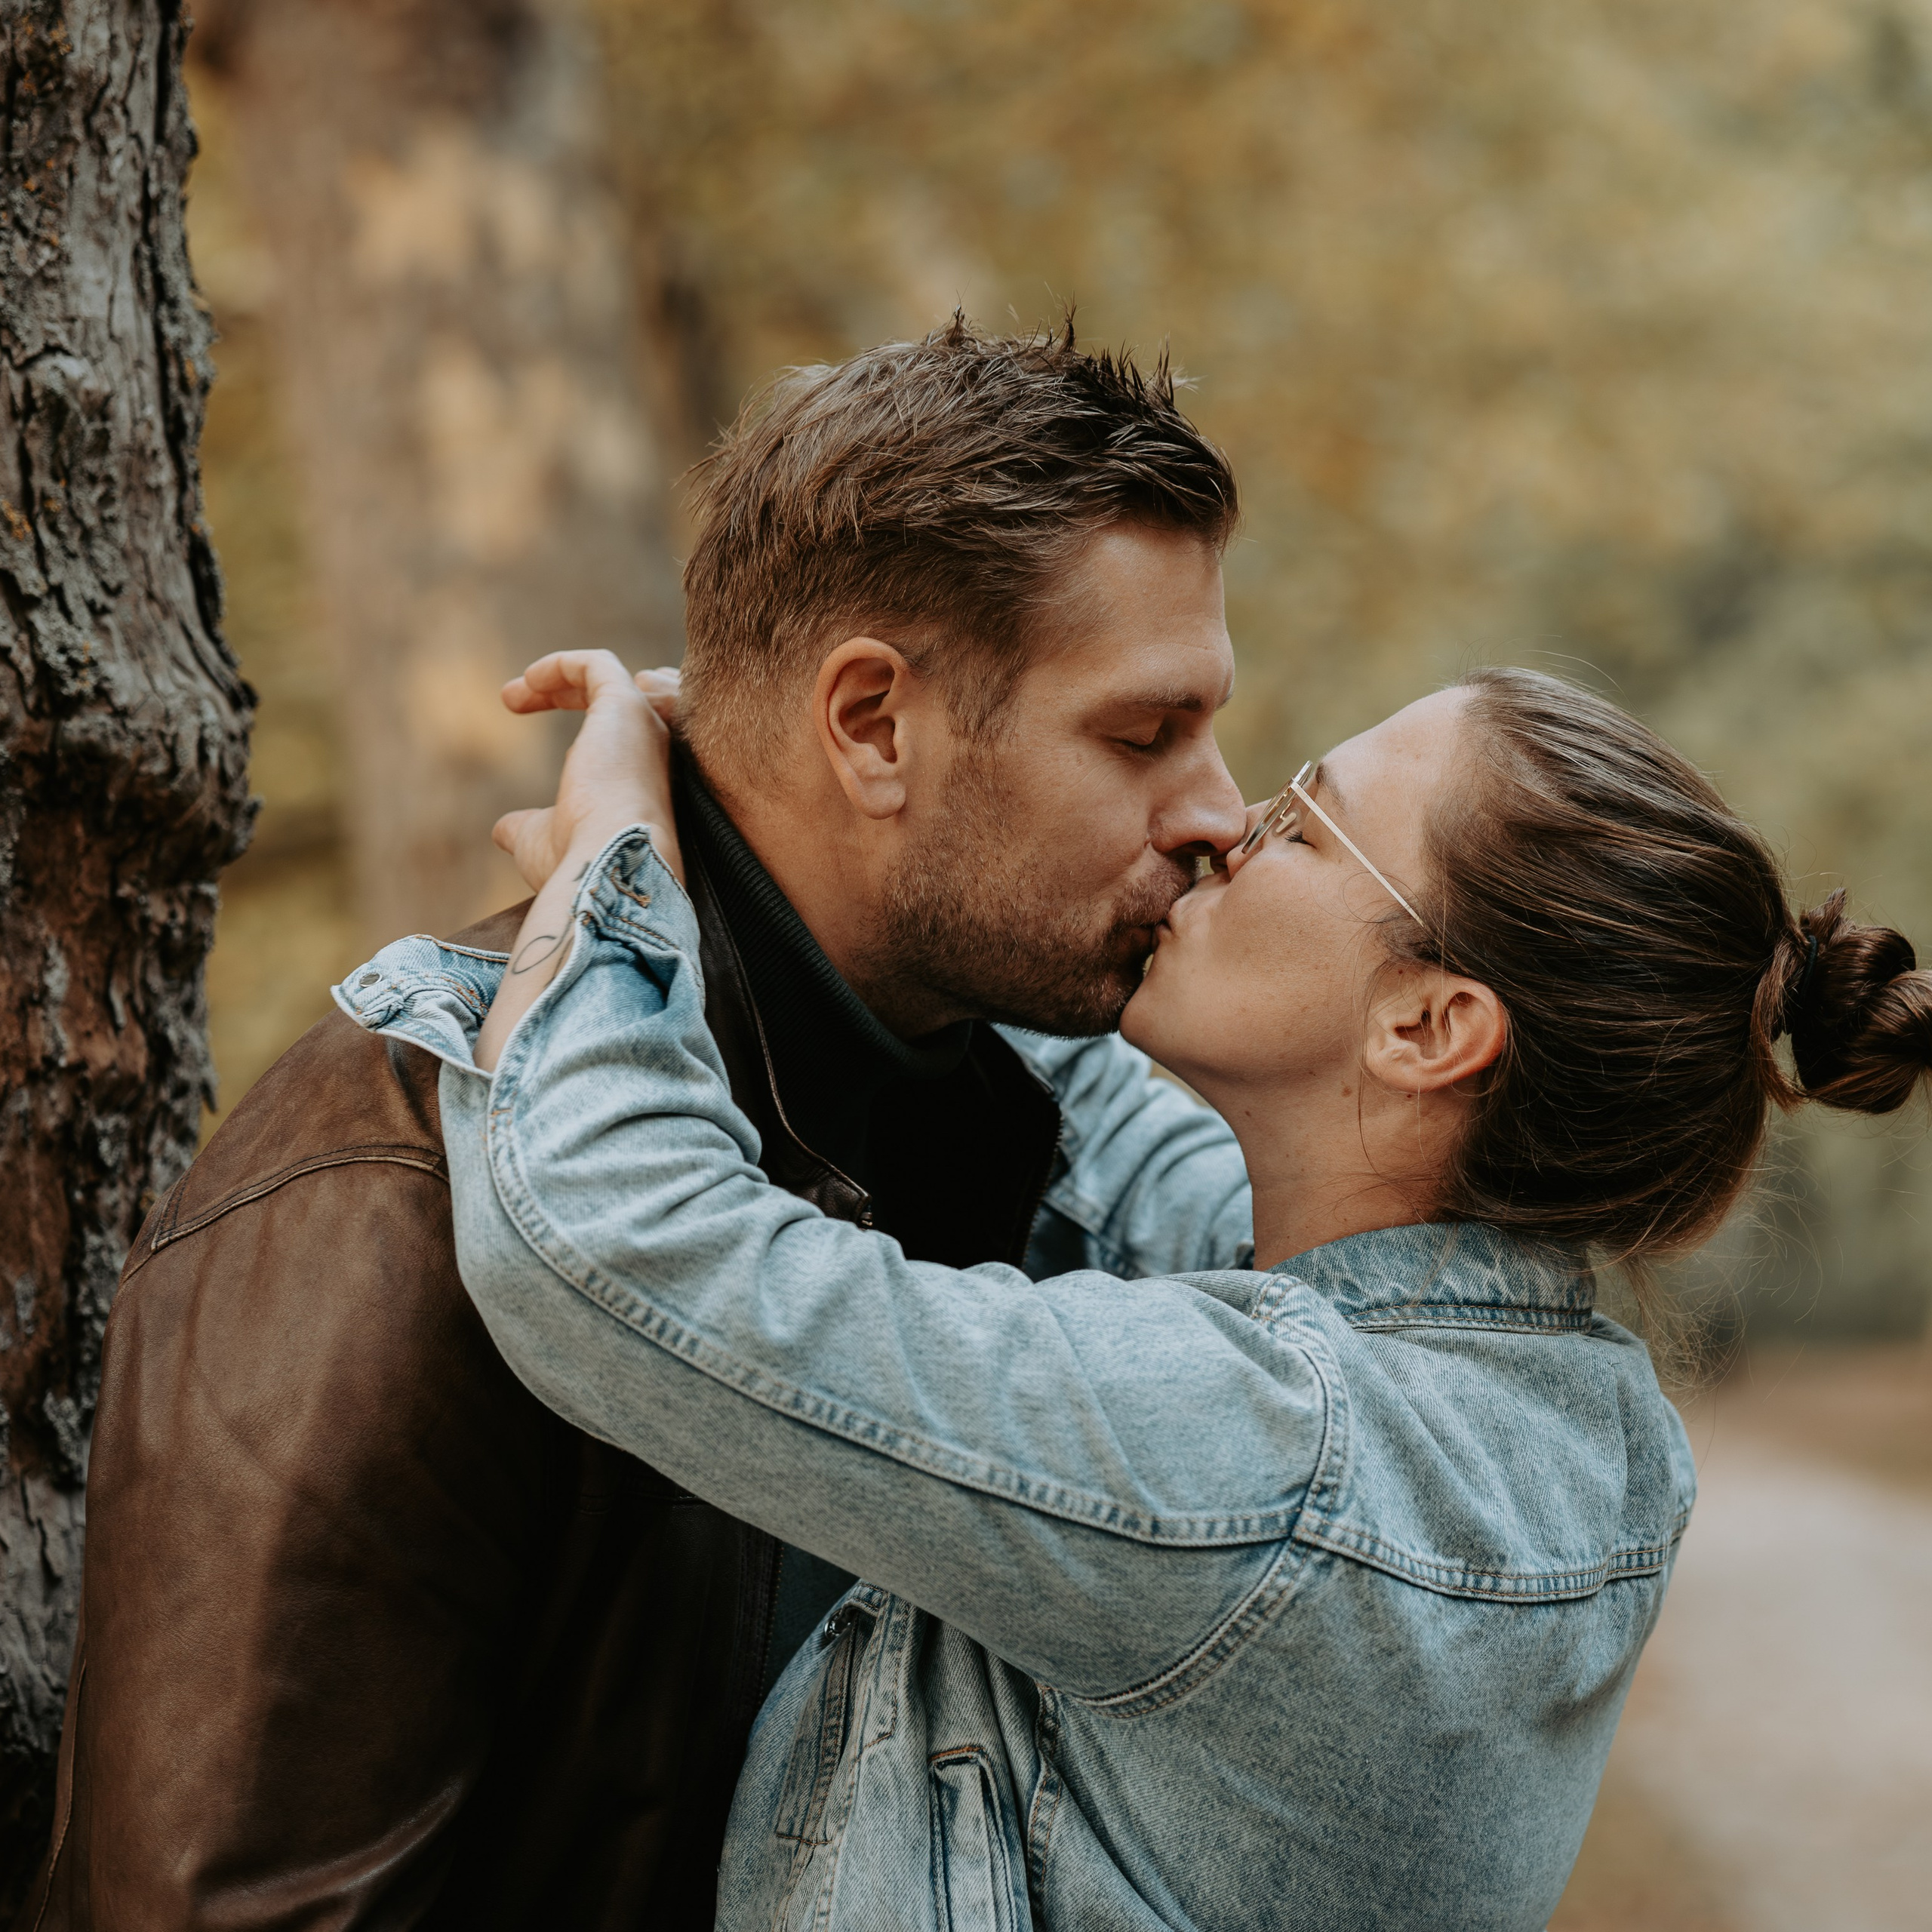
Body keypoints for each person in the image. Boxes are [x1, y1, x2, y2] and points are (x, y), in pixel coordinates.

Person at [340, 652, 1932, 1930]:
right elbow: (1127, 1140)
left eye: (1307, 821)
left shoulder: (1273, 1453)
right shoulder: (1568, 1425)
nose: (1221, 828)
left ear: (1428, 1028)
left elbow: (616, 1244)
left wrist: (617, 853)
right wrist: (803, 832)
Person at [22, 320, 1256, 1930]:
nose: (1221, 810)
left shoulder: (1008, 1135)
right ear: (871, 723)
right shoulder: (390, 1174)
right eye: (1141, 734)